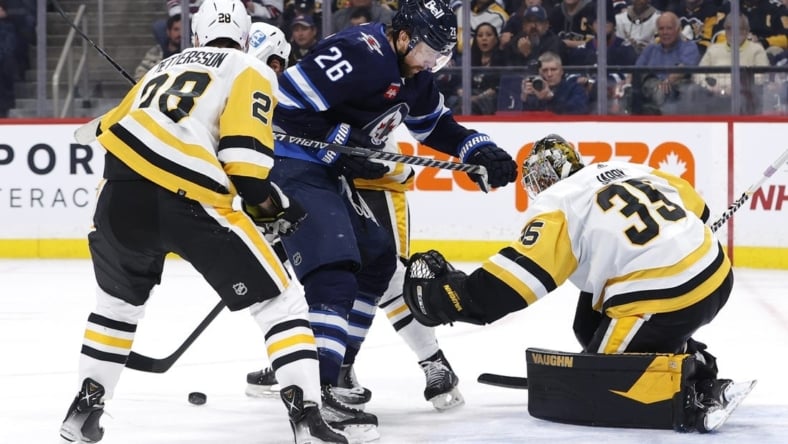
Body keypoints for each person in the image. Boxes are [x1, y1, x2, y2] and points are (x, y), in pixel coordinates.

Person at [57, 1, 345, 443]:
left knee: (115, 307)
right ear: (246, 39)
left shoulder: (159, 68)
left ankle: (83, 409)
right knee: (281, 304)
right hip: (188, 199)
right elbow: (246, 168)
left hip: (117, 199)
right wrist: (275, 208)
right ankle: (306, 418)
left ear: (194, 37)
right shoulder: (249, 68)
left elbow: (98, 131)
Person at [269, 0, 518, 439]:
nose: (431, 63)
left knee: (378, 257)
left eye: (440, 55)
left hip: (326, 171)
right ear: (403, 37)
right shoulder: (359, 51)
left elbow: (434, 125)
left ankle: (337, 368)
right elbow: (281, 103)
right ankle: (317, 395)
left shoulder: (414, 75)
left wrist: (478, 149)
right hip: (290, 163)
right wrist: (340, 141)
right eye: (427, 51)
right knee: (334, 270)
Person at [402, 133, 752, 433]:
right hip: (717, 272)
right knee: (588, 324)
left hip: (665, 298)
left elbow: (512, 285)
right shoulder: (627, 167)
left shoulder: (559, 202)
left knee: (602, 386)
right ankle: (691, 360)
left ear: (543, 178)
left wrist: (448, 298)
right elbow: (700, 211)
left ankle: (693, 396)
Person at [243, 17, 466, 415]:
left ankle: (430, 362)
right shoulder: (289, 90)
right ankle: (317, 360)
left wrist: (365, 160)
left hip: (375, 185)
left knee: (384, 273)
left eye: (271, 65)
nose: (267, 75)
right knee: (325, 272)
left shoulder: (359, 72)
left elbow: (392, 155)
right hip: (328, 177)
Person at [694, 14, 771, 114]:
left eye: (739, 28)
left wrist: (739, 87)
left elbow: (762, 77)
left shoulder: (757, 50)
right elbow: (698, 74)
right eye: (729, 28)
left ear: (747, 31)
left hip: (745, 99)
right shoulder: (713, 49)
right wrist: (710, 87)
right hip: (714, 96)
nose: (733, 32)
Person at [631, 11, 700, 114]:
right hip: (649, 89)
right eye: (661, 29)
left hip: (675, 92)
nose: (665, 32)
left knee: (663, 91)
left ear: (678, 29)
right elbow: (636, 70)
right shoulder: (650, 49)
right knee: (628, 92)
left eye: (669, 28)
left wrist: (668, 80)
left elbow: (683, 68)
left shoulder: (689, 47)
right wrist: (625, 84)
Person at [520, 51, 590, 113]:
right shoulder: (535, 89)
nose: (549, 74)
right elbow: (526, 118)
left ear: (561, 71)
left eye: (553, 69)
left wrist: (552, 97)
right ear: (540, 73)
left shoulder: (575, 88)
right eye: (545, 70)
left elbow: (579, 110)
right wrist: (525, 98)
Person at [135, 14, 183, 82]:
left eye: (183, 30)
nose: (180, 33)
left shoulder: (191, 51)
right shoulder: (156, 52)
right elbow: (140, 74)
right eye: (176, 29)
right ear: (168, 32)